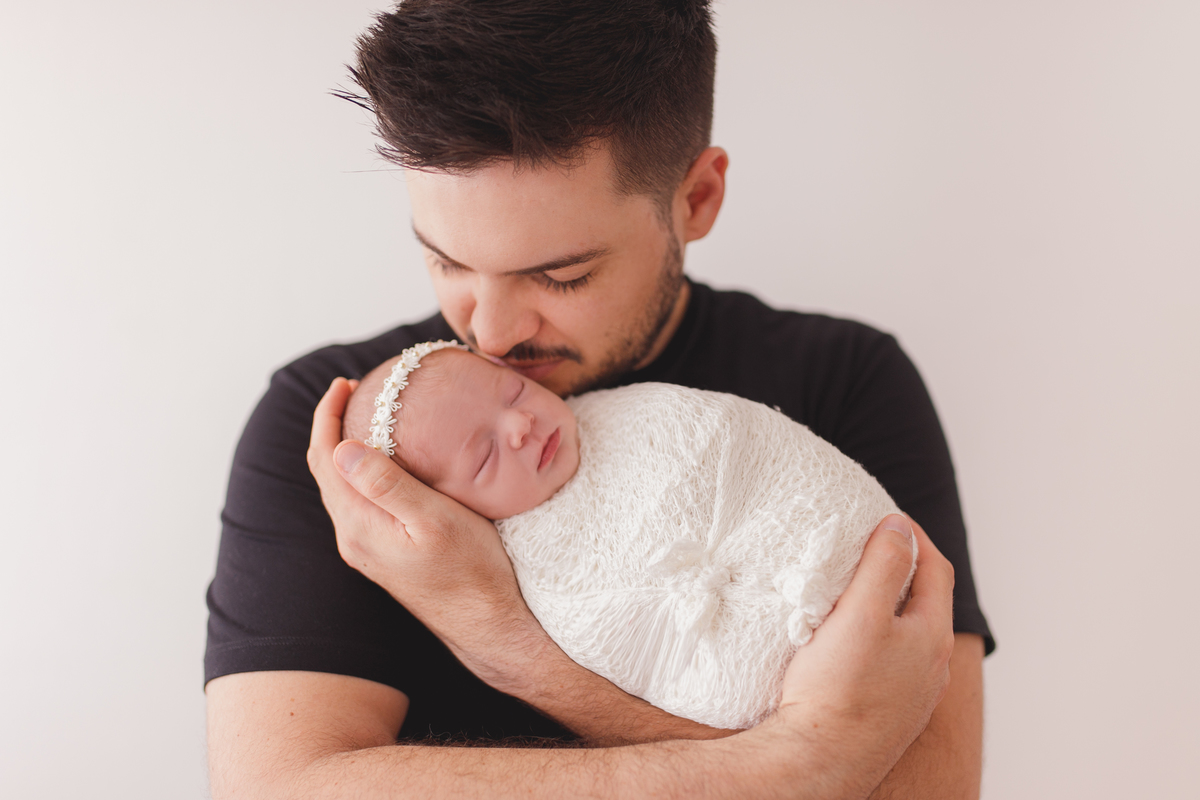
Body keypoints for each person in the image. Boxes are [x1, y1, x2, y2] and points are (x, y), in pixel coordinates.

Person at [205, 2, 992, 797]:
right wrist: (804, 761)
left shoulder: (845, 379)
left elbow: (930, 789)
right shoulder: (357, 438)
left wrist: (505, 637)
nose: (492, 334)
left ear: (697, 200)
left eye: (560, 275)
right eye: (445, 262)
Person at [341, 341, 912, 731]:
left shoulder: (631, 414)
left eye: (512, 393)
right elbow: (616, 638)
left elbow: (736, 436)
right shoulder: (540, 571)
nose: (520, 426)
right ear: (449, 509)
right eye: (485, 454)